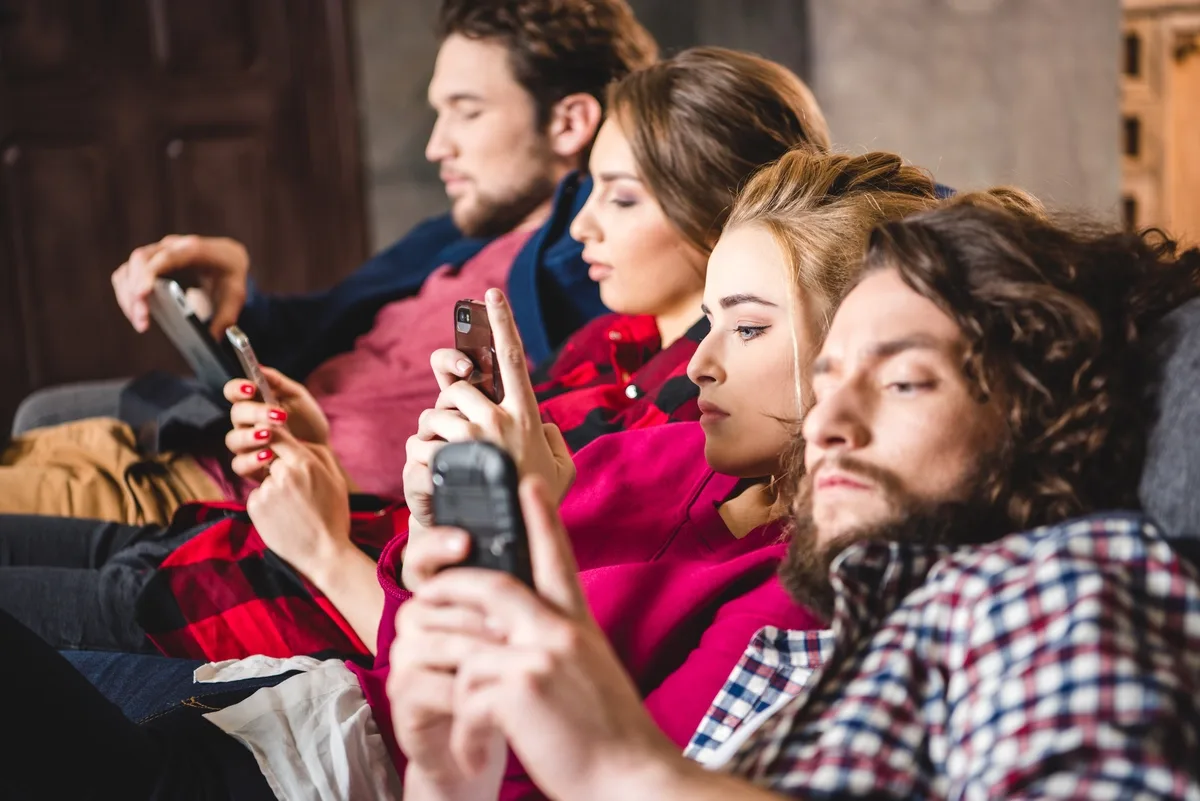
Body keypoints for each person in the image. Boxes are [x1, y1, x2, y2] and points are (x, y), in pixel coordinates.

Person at [0, 148, 943, 801]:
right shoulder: (677, 452)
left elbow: (516, 760)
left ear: (854, 351)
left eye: (746, 327)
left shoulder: (794, 603)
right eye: (710, 324)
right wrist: (434, 511)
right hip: (304, 701)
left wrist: (510, 536)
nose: (702, 362)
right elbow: (411, 623)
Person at [0, 46, 832, 656]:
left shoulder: (698, 418)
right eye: (588, 195)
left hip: (294, 595)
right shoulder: (605, 341)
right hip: (264, 535)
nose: (579, 230)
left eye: (466, 110)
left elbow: (507, 639)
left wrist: (343, 534)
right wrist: (326, 451)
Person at [385, 200, 1200, 801]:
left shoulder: (1060, 586)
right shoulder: (834, 651)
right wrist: (454, 781)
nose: (829, 423)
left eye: (904, 381)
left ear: (1043, 414)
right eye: (832, 378)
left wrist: (623, 768)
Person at [0, 0, 658, 523]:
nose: (436, 147)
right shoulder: (452, 236)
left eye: (467, 112)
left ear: (570, 122)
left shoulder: (586, 258)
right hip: (206, 439)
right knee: (39, 419)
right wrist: (225, 292)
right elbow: (310, 330)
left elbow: (693, 168)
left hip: (226, 496)